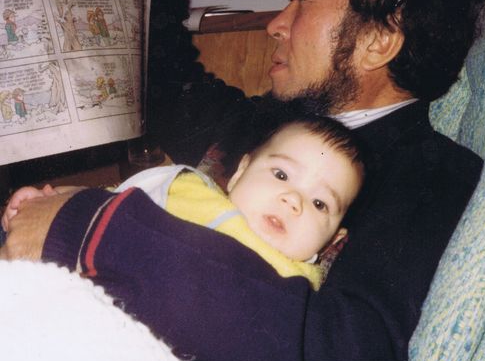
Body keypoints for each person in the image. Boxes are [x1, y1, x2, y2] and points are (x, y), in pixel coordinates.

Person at [1, 0, 485, 361]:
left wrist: (87, 229)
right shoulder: (268, 124)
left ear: (377, 42)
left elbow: (332, 351)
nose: (276, 25)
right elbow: (164, 82)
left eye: (302, 1)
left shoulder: (430, 178)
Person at [2, 114, 365, 290]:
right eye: (282, 175)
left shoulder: (296, 291)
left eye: (319, 204)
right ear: (239, 174)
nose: (293, 200)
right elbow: (113, 198)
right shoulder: (192, 191)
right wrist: (50, 198)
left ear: (332, 241)